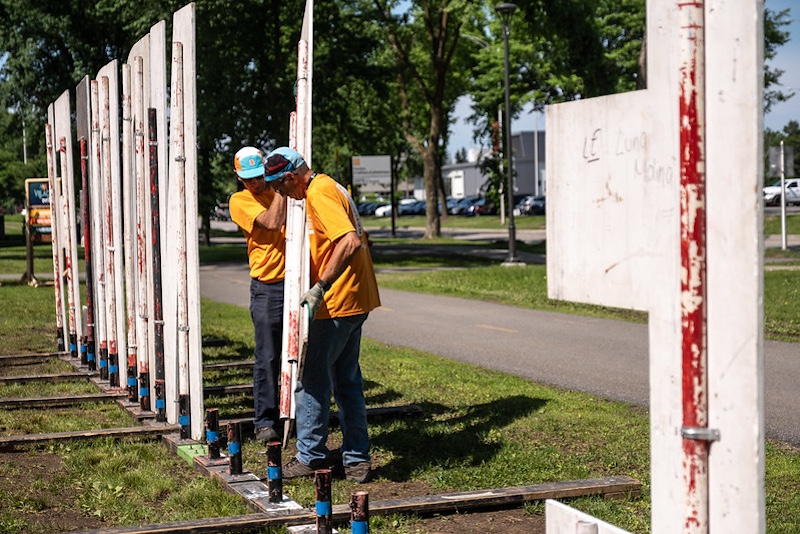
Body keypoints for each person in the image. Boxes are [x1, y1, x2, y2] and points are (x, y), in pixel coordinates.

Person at [263, 146, 381, 483]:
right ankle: (357, 459)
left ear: (289, 177)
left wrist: (320, 287)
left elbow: (348, 242)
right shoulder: (331, 185)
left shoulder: (319, 192)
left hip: (337, 303)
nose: (281, 195)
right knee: (346, 381)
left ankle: (311, 455)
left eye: (279, 188)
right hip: (356, 298)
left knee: (311, 381)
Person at [229, 146, 287, 443]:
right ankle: (265, 420)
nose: (257, 183)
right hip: (267, 286)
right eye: (250, 178)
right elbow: (272, 223)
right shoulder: (240, 201)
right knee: (268, 356)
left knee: (299, 353)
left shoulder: (277, 191)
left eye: (261, 176)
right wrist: (280, 187)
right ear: (239, 178)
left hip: (295, 281)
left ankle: (294, 414)